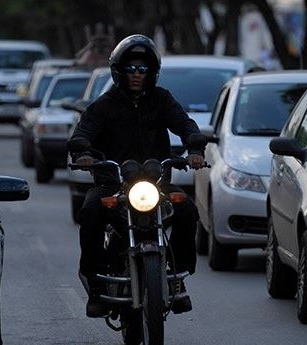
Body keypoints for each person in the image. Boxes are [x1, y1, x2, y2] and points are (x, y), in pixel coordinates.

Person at [68, 34, 205, 318]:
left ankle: (177, 276)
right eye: (131, 69)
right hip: (113, 183)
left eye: (142, 69)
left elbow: (184, 122)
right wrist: (82, 151)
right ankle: (95, 280)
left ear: (152, 72)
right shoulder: (104, 105)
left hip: (156, 182)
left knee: (187, 210)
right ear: (119, 71)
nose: (136, 75)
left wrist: (194, 145)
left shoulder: (162, 99)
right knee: (91, 211)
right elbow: (83, 132)